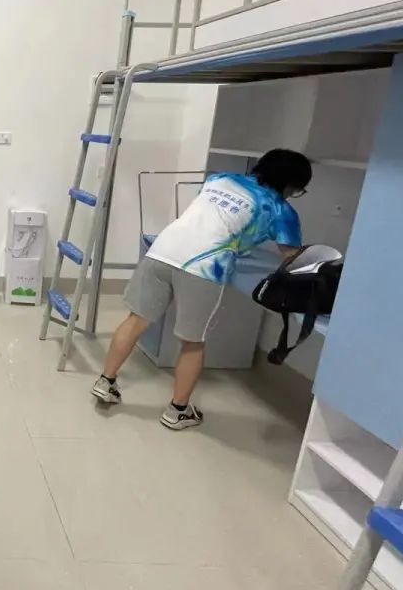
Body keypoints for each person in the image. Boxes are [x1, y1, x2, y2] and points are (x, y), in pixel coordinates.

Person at [91, 149, 312, 430]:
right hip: (203, 267)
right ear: (291, 184)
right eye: (298, 189)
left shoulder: (221, 179)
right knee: (192, 342)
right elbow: (293, 259)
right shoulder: (281, 210)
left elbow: (215, 220)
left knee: (135, 320)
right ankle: (178, 411)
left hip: (162, 250)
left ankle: (106, 381)